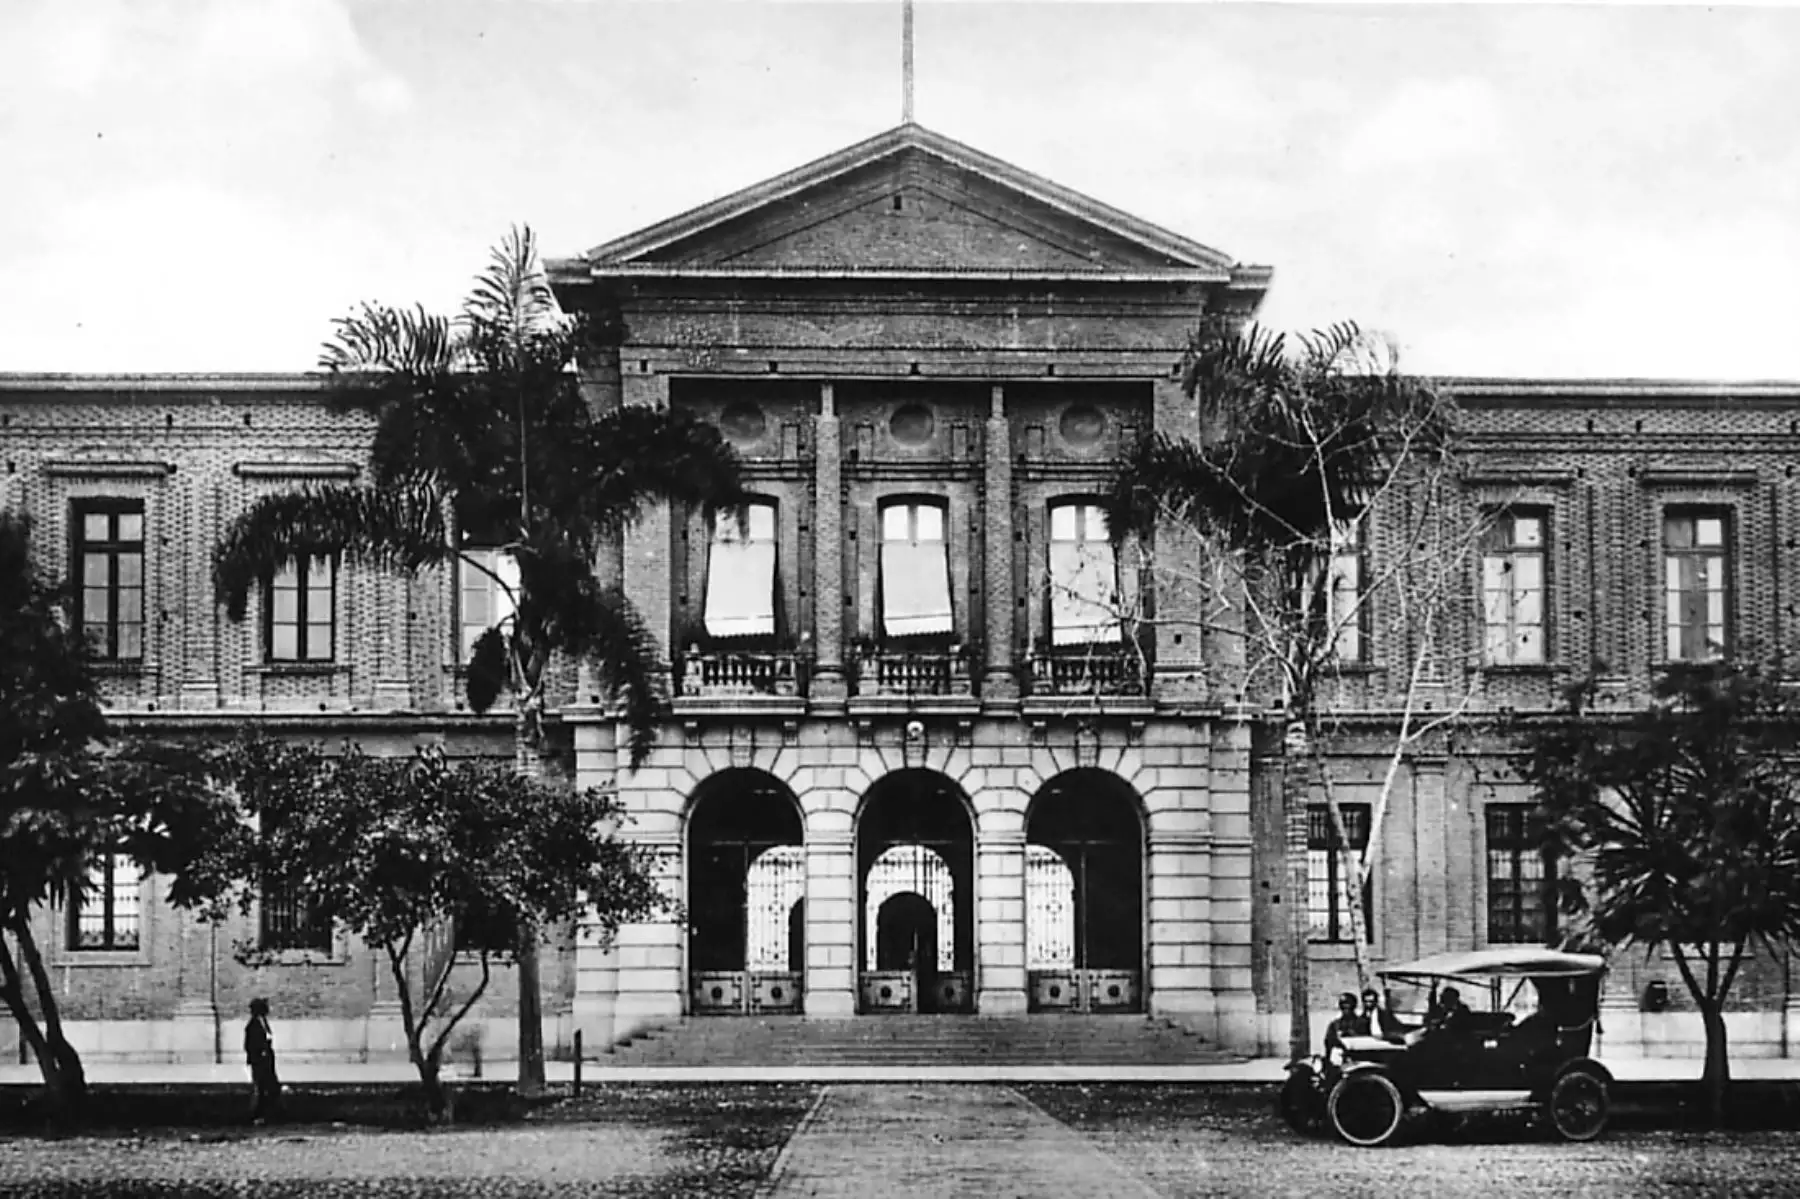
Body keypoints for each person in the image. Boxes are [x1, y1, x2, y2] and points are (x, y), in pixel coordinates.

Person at [244, 998, 280, 1123]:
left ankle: (267, 1113)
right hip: (260, 1062)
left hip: (266, 1061)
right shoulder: (253, 1025)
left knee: (269, 1087)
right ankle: (256, 1114)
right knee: (260, 1088)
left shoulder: (262, 1022)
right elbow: (249, 1045)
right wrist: (260, 1054)